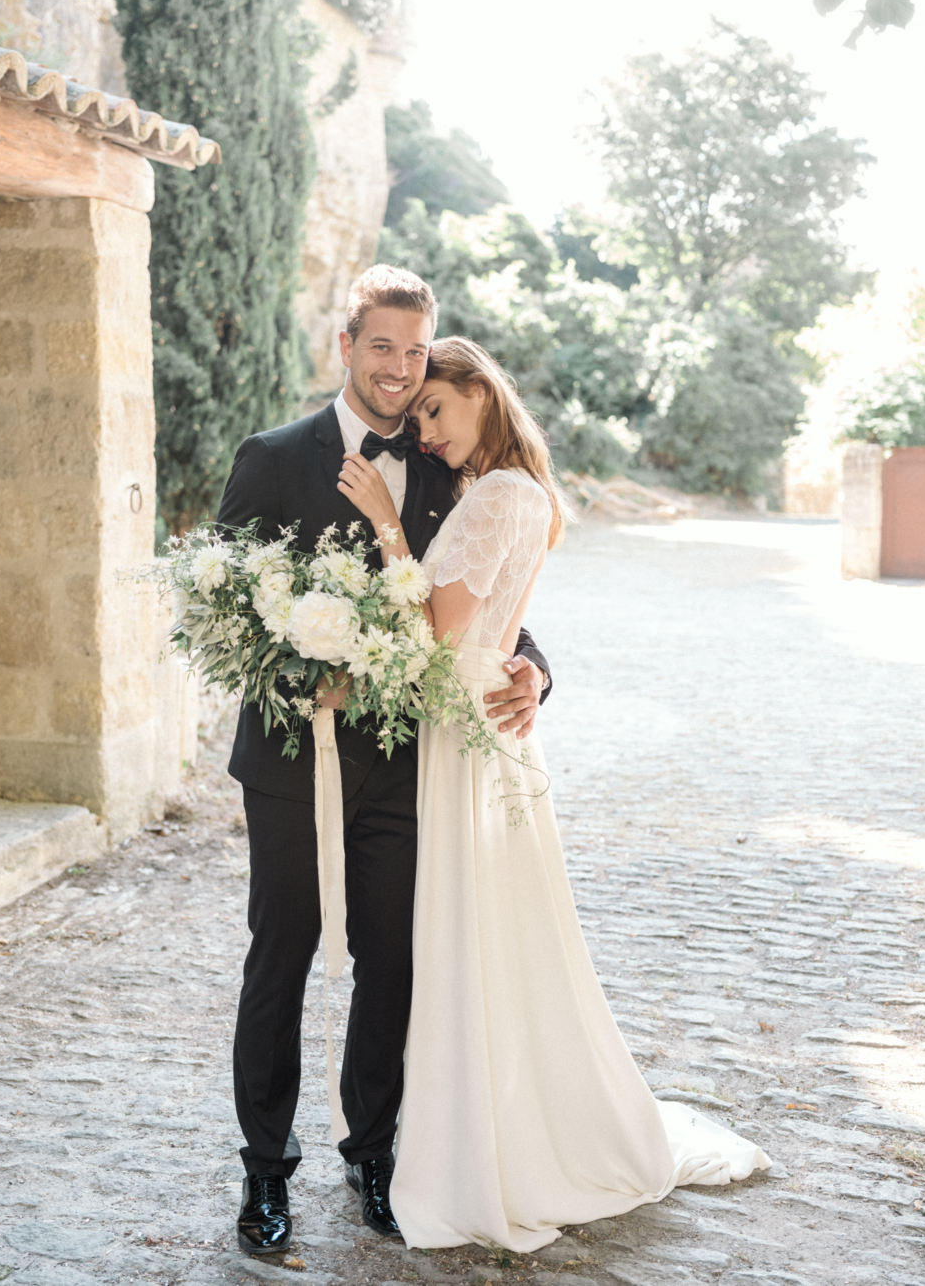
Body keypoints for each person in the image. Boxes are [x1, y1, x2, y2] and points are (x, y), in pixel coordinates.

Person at [338, 336, 772, 1252]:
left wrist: (382, 520)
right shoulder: (520, 494)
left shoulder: (499, 495)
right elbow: (491, 628)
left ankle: (485, 1143)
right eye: (415, 417)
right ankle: (486, 1122)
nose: (424, 430)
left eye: (435, 410)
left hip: (463, 733)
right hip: (478, 725)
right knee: (496, 935)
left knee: (473, 934)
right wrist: (522, 668)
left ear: (480, 394)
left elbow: (435, 626)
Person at [215, 267, 553, 1255]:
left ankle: (375, 1158)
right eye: (383, 348)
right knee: (282, 957)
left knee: (394, 963)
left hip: (412, 764)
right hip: (290, 760)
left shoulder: (452, 466)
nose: (403, 370)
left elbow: (494, 605)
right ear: (346, 345)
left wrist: (533, 671)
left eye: (416, 350)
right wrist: (297, 678)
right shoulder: (274, 458)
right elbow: (225, 609)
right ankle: (265, 1174)